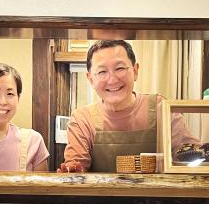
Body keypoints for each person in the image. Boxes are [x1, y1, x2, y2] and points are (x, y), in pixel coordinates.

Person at [58, 40, 200, 173]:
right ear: (90, 79)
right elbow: (76, 168)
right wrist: (72, 169)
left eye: (119, 68)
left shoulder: (160, 108)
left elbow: (189, 156)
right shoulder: (83, 119)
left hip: (159, 197)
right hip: (101, 198)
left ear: (135, 70)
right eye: (102, 72)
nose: (112, 79)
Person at [0, 63, 49, 171]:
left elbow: (43, 188)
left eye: (10, 94)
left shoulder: (33, 141)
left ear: (18, 98)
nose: (2, 101)